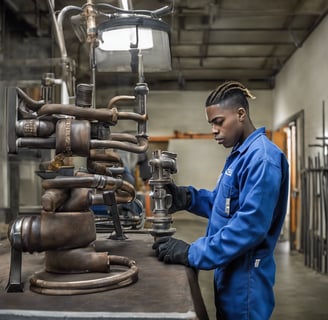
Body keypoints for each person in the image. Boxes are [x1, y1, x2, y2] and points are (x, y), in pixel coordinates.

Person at [152, 81, 289, 320]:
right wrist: (188, 197)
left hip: (246, 281)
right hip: (230, 272)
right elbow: (224, 205)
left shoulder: (262, 158)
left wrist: (192, 252)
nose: (214, 130)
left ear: (240, 113)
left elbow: (249, 228)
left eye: (218, 121)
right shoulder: (240, 154)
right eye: (211, 124)